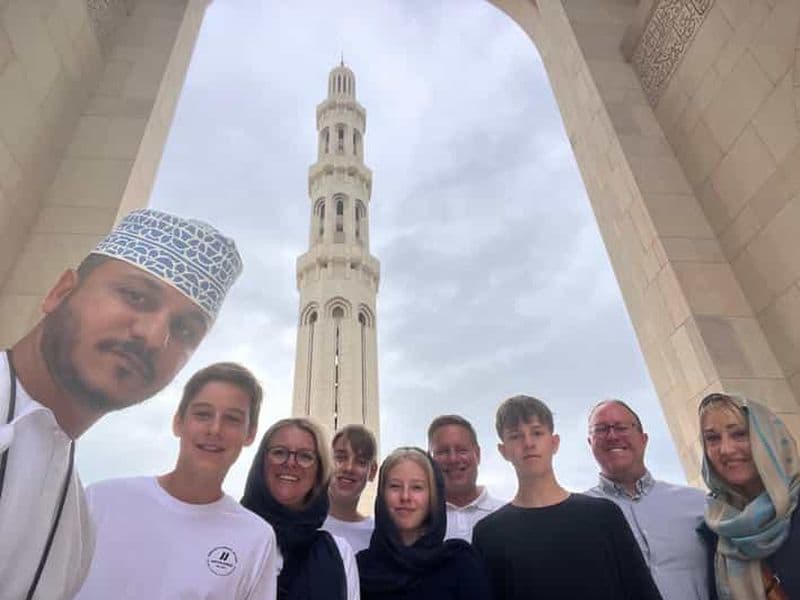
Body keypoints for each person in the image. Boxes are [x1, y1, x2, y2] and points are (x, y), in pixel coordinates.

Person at [0, 208, 242, 600]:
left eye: (184, 329)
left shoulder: (75, 525)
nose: (153, 336)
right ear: (61, 292)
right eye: (136, 296)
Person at [75, 362, 276, 599]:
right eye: (203, 414)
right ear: (178, 422)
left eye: (232, 419)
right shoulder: (102, 500)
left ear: (250, 434)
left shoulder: (256, 537)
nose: (215, 429)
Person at [473, 394, 663, 600]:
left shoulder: (603, 515)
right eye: (515, 436)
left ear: (554, 443)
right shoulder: (489, 534)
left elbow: (641, 591)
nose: (528, 443)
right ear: (503, 451)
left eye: (537, 433)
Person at [585, 399, 710, 600]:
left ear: (643, 439)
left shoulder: (700, 504)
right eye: (600, 429)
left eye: (621, 427)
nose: (612, 435)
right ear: (590, 443)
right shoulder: (577, 517)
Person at [241, 417, 360, 600]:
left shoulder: (338, 553)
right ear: (261, 462)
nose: (290, 463)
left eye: (305, 456)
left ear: (319, 471)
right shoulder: (230, 536)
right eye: (279, 452)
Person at [697, 393, 800, 600]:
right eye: (713, 439)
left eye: (740, 434)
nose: (726, 449)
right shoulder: (714, 531)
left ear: (769, 439)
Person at [356, 447, 492, 600]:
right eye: (395, 486)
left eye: (417, 487)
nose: (405, 496)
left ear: (433, 496)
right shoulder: (361, 568)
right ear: (381, 495)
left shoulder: (459, 562)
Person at [427, 415, 504, 542]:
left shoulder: (505, 516)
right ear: (429, 459)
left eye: (461, 450)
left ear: (477, 454)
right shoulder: (417, 523)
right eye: (443, 452)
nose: (453, 459)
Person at [323, 424, 378, 553]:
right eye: (340, 458)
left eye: (361, 461)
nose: (349, 468)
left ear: (372, 472)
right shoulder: (303, 525)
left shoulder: (377, 536)